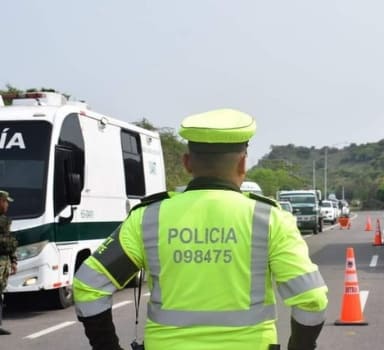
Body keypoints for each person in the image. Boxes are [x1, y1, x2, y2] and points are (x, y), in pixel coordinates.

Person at [73, 109, 329, 350]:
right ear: (243, 164)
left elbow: (88, 286)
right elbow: (312, 299)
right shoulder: (270, 219)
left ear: (186, 163)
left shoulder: (148, 217)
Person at [0, 190, 17, 336]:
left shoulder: (5, 220)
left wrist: (13, 261)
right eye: (5, 202)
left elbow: (10, 241)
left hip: (4, 261)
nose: (7, 205)